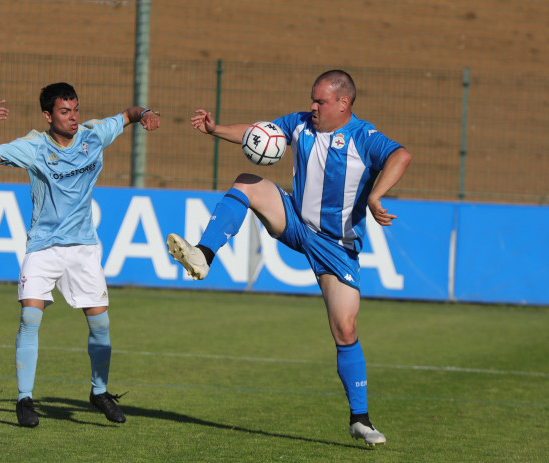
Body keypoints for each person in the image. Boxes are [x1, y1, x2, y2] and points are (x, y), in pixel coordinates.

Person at [166, 70, 411, 446]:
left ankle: (359, 419)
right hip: (296, 220)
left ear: (344, 103)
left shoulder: (363, 136)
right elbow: (257, 132)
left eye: (321, 101)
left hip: (337, 248)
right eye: (312, 99)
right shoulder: (300, 125)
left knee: (345, 330)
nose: (312, 107)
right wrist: (215, 130)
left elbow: (400, 155)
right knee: (247, 182)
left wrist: (377, 195)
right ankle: (203, 254)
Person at [0, 82, 161, 427]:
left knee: (100, 325)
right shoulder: (33, 147)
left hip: (83, 249)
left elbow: (128, 115)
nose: (73, 117)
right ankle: (24, 400)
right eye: (64, 112)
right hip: (42, 247)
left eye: (75, 110)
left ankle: (99, 392)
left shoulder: (93, 135)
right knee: (30, 318)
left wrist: (146, 114)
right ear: (48, 116)